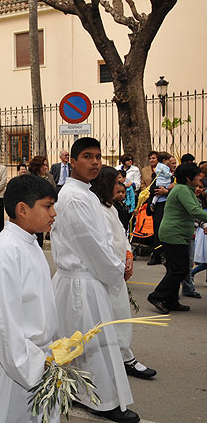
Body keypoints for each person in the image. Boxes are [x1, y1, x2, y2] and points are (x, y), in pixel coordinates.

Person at [50, 137, 138, 423]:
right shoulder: (74, 197)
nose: (95, 162)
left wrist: (115, 264)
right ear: (72, 162)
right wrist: (115, 272)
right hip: (82, 282)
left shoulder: (85, 193)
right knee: (91, 344)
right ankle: (100, 401)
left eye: (98, 157)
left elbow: (100, 241)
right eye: (87, 157)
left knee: (85, 343)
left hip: (87, 279)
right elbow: (91, 246)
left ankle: (79, 390)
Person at [0, 174, 59, 423]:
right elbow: (1, 321)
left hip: (37, 355)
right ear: (23, 210)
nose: (54, 213)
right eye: (48, 206)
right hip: (14, 362)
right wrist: (31, 364)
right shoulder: (6, 251)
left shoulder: (29, 243)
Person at [91, 166, 156, 380]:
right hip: (108, 273)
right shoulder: (96, 210)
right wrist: (119, 267)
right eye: (117, 183)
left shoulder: (111, 208)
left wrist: (128, 256)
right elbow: (103, 246)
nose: (121, 187)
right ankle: (123, 358)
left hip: (118, 269)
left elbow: (121, 236)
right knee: (114, 316)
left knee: (119, 316)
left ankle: (122, 355)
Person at [148, 163, 207, 314]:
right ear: (188, 178)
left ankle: (171, 300)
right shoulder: (182, 190)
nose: (199, 178)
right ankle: (157, 296)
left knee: (175, 268)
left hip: (177, 234)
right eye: (196, 176)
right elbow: (195, 211)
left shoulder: (186, 189)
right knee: (180, 270)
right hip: (174, 234)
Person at [148, 152, 173, 266]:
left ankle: (168, 255)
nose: (173, 164)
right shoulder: (158, 173)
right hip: (159, 205)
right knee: (158, 229)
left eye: (174, 163)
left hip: (171, 205)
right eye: (171, 162)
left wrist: (167, 191)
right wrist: (159, 190)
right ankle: (157, 254)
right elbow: (152, 188)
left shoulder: (175, 176)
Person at [29, 156, 55, 247]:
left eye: (46, 165)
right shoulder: (30, 179)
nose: (46, 167)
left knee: (39, 239)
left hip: (45, 210)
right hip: (33, 211)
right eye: (43, 165)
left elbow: (54, 192)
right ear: (37, 166)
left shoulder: (50, 177)